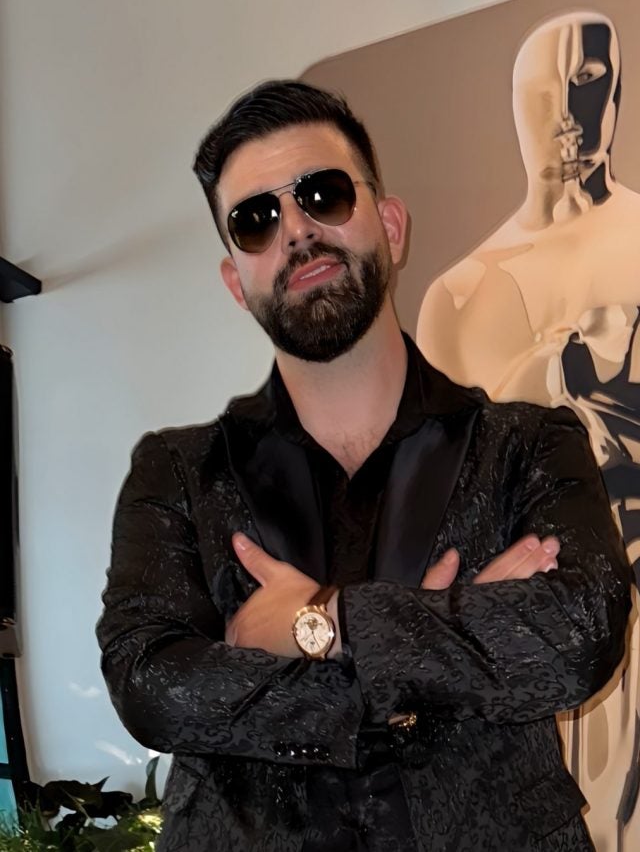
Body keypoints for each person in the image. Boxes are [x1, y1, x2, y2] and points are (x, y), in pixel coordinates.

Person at [97, 80, 631, 852]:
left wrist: (321, 622)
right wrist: (437, 645)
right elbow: (153, 686)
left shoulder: (530, 445)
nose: (296, 230)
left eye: (323, 194)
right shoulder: (177, 472)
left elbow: (578, 634)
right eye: (255, 221)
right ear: (236, 282)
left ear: (390, 224)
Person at [417, 11, 640, 848]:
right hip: (534, 629)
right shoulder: (461, 295)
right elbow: (445, 509)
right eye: (548, 88)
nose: (568, 113)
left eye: (590, 83)